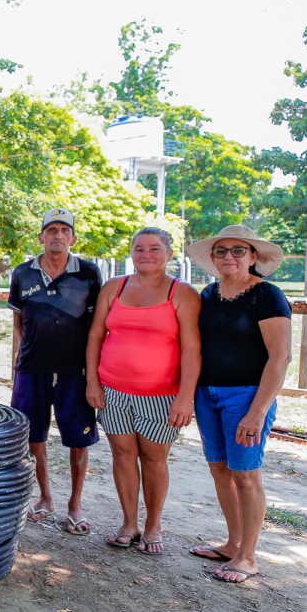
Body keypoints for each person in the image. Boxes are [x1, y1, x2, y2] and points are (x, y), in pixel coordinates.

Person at [185, 225, 292, 584]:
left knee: (246, 475)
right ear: (212, 258)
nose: (229, 257)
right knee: (219, 470)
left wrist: (258, 410)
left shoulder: (268, 296)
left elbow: (280, 358)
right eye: (221, 251)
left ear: (253, 257)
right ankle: (232, 543)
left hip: (246, 395)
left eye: (238, 251)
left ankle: (248, 555)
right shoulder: (207, 295)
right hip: (207, 393)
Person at [85, 227, 200, 555]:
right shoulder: (114, 287)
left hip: (162, 395)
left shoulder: (182, 293)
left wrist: (185, 396)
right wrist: (93, 382)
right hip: (113, 391)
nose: (145, 254)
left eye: (153, 249)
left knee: (154, 459)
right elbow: (95, 336)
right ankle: (129, 522)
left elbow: (192, 349)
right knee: (122, 455)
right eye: (139, 249)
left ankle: (153, 525)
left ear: (169, 254)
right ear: (131, 253)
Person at [8, 209, 103, 535]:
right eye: (51, 230)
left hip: (74, 372)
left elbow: (95, 326)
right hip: (31, 369)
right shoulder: (23, 273)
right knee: (32, 436)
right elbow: (19, 322)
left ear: (73, 237)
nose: (58, 235)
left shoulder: (89, 273)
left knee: (78, 440)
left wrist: (93, 375)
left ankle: (75, 504)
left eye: (65, 230)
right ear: (41, 237)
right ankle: (45, 497)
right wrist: (20, 360)